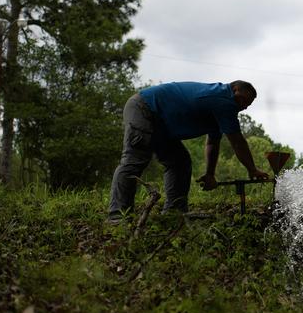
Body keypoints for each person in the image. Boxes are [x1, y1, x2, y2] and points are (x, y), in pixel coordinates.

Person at [107, 80, 270, 223]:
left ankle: (174, 213)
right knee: (134, 159)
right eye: (242, 100)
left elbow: (213, 142)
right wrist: (252, 170)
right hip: (144, 108)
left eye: (247, 105)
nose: (243, 106)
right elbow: (237, 142)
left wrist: (210, 174)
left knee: (180, 162)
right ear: (234, 89)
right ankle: (118, 216)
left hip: (162, 124)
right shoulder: (223, 99)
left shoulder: (221, 109)